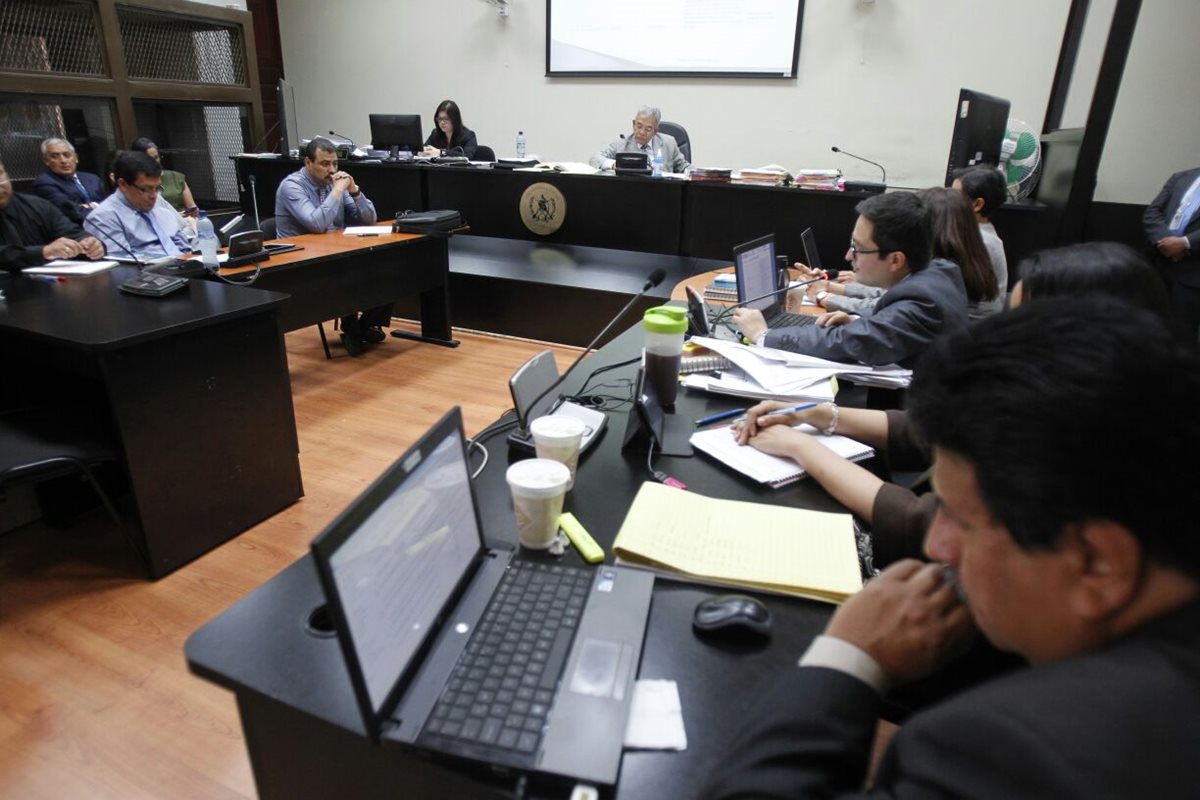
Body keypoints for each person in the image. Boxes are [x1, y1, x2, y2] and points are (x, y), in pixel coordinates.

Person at [706, 296, 1200, 799]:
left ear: (1097, 564)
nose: (937, 544)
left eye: (959, 518)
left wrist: (848, 657)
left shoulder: (1012, 750)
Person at [734, 240, 1178, 567]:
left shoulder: (1093, 440)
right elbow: (927, 434)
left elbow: (922, 526)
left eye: (1025, 323)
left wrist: (802, 448)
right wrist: (820, 415)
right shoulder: (1080, 396)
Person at [732, 192, 968, 368]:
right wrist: (856, 319)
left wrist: (763, 335)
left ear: (895, 260)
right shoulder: (940, 270)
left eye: (858, 248)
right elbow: (887, 322)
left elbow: (849, 342)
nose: (848, 256)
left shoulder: (922, 303)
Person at [275, 136, 391, 356]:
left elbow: (370, 219)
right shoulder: (292, 186)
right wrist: (337, 190)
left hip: (333, 251)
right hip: (299, 260)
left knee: (387, 266)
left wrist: (354, 190)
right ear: (308, 162)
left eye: (335, 164)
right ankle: (353, 331)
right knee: (346, 272)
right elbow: (317, 224)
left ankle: (363, 327)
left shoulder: (333, 183)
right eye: (325, 164)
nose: (331, 170)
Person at [807, 188, 1000, 320]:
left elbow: (887, 306)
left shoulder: (943, 271)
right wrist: (832, 287)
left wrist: (825, 296)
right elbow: (890, 295)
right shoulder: (955, 260)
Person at [83, 150, 191, 261]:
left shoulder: (156, 203)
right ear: (123, 184)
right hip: (151, 269)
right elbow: (122, 263)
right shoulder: (103, 217)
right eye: (145, 189)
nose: (153, 196)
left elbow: (183, 244)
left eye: (157, 188)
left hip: (185, 263)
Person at [0, 159, 105, 271]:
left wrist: (89, 243)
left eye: (0, 175)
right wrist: (43, 252)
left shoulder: (37, 206)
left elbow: (72, 232)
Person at [1144, 166, 1200, 338]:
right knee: (1147, 326)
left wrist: (1185, 243)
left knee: (1181, 335)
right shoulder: (1181, 177)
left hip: (1192, 272)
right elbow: (1152, 212)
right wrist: (1166, 241)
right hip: (1159, 263)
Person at [952, 164, 1009, 309]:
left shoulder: (981, 241)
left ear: (977, 204)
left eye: (955, 196)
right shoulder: (977, 230)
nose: (948, 201)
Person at [588, 105, 690, 173]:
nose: (641, 132)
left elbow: (684, 167)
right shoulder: (621, 143)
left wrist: (696, 173)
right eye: (639, 126)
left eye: (648, 129)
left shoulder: (669, 143)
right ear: (633, 124)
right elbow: (595, 159)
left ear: (655, 131)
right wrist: (615, 164)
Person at [31, 137, 108, 224]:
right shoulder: (44, 183)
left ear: (76, 158)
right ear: (46, 161)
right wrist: (102, 208)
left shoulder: (92, 178)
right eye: (55, 156)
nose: (63, 160)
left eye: (67, 155)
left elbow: (110, 202)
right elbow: (73, 212)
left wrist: (91, 206)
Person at [129, 137, 198, 215]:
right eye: (149, 159)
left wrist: (193, 211)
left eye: (156, 157)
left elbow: (192, 208)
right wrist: (176, 216)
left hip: (185, 220)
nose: (154, 162)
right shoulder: (136, 184)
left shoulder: (176, 177)